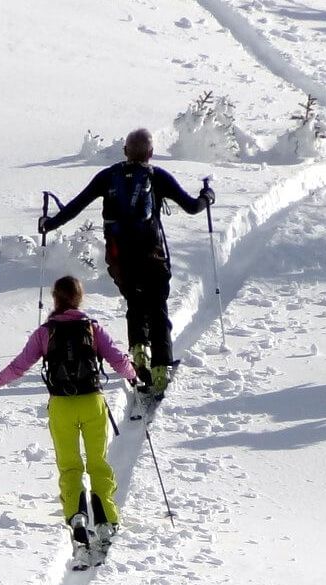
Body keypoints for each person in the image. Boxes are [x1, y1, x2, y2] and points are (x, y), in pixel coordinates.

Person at [40, 128, 214, 401]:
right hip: (153, 256)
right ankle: (160, 369)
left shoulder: (108, 176)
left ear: (125, 151)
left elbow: (75, 206)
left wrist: (49, 224)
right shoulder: (157, 177)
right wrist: (208, 197)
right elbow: (192, 207)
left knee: (135, 304)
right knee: (157, 308)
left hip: (120, 258)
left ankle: (139, 357)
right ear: (151, 153)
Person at [0, 276, 141, 568]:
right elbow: (118, 360)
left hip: (61, 406)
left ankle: (78, 519)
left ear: (55, 299)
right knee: (97, 463)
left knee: (70, 466)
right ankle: (105, 520)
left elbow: (19, 366)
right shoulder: (92, 328)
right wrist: (133, 376)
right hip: (92, 402)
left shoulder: (45, 332)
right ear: (79, 298)